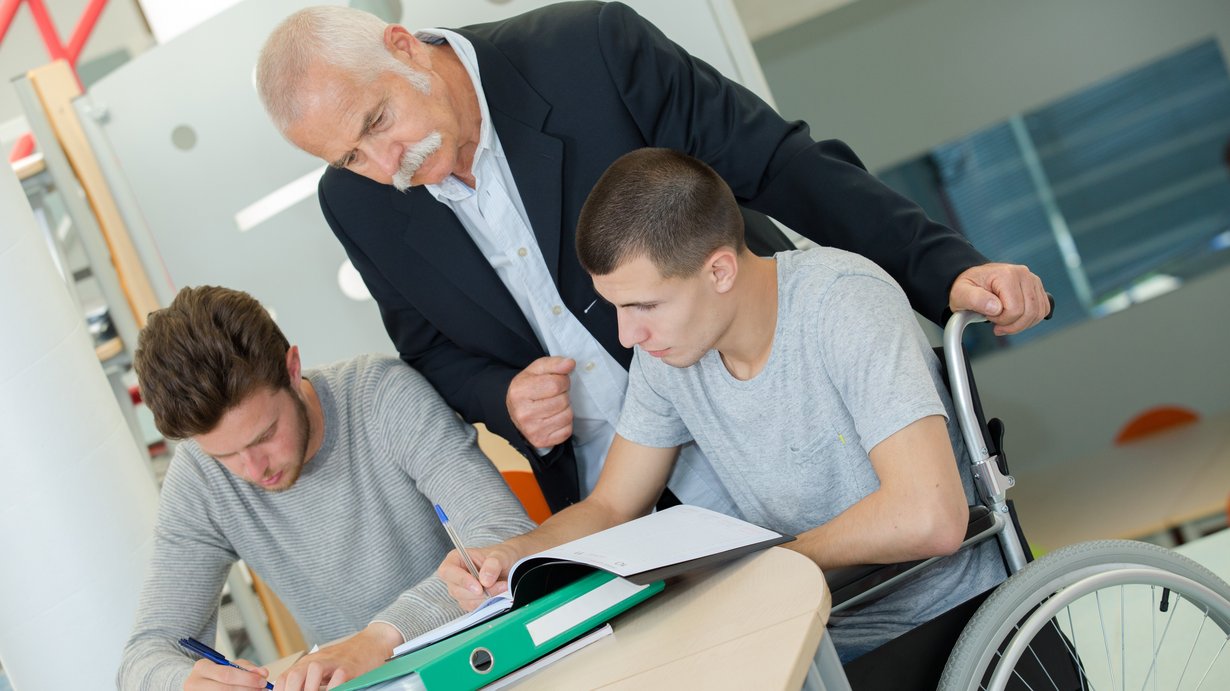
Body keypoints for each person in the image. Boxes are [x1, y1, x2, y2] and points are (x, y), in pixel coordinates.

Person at [254, 2, 1049, 515]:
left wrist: (943, 271)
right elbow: (428, 346)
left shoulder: (587, 51)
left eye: (379, 121)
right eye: (350, 155)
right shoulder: (354, 203)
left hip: (781, 426)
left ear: (407, 49)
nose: (383, 164)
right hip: (625, 493)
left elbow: (778, 164)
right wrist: (501, 395)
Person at [437, 148, 1008, 663]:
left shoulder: (844, 303)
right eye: (614, 307)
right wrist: (514, 555)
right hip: (811, 629)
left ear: (719, 270)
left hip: (945, 625)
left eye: (643, 306)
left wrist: (764, 566)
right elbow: (612, 507)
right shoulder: (669, 359)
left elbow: (929, 517)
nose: (627, 335)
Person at [116, 286, 536, 690]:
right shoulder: (199, 478)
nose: (253, 469)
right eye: (224, 455)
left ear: (292, 368)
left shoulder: (381, 395)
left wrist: (378, 639)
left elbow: (504, 534)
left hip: (494, 660)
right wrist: (183, 682)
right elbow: (143, 656)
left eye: (263, 436)